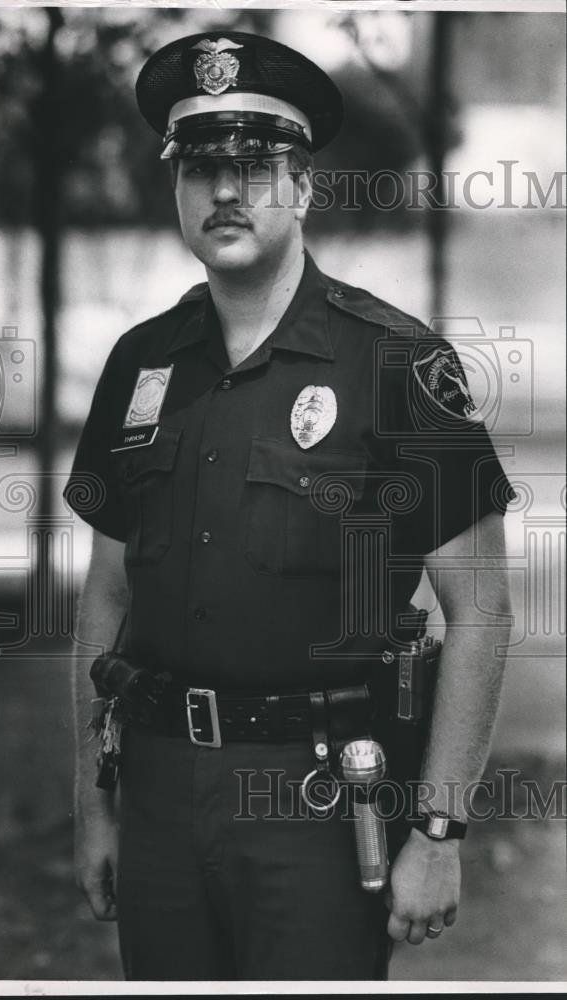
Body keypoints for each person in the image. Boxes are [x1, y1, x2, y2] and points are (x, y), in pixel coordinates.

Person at [65, 30, 514, 982]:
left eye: (253, 166)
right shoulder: (137, 362)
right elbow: (105, 592)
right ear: (175, 188)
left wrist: (437, 830)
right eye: (199, 168)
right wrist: (94, 806)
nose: (224, 191)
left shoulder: (400, 362)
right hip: (154, 795)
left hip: (317, 798)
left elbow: (480, 611)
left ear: (303, 189)